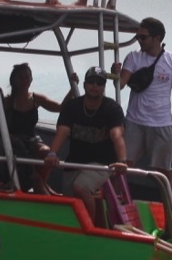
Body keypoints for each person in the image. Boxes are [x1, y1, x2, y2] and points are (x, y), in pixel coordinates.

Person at [43, 66, 127, 227]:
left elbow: (117, 135)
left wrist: (122, 160)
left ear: (104, 86)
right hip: (75, 161)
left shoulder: (112, 108)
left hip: (102, 163)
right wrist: (52, 154)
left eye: (99, 83)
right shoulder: (72, 106)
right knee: (70, 201)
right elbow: (62, 131)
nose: (95, 86)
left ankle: (89, 228)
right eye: (91, 82)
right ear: (84, 84)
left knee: (81, 188)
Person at [114, 17, 172, 184]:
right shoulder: (133, 57)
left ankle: (170, 206)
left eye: (143, 37)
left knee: (164, 171)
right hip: (134, 122)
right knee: (123, 165)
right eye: (138, 37)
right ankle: (112, 202)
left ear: (157, 38)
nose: (139, 41)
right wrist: (116, 74)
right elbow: (122, 84)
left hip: (161, 124)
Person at [5, 62, 67, 193]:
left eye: (27, 77)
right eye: (20, 77)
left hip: (32, 139)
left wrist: (73, 88)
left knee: (47, 152)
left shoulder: (36, 98)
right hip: (14, 143)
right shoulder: (7, 101)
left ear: (31, 79)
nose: (24, 81)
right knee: (33, 175)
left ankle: (42, 182)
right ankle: (39, 183)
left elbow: (60, 108)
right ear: (13, 81)